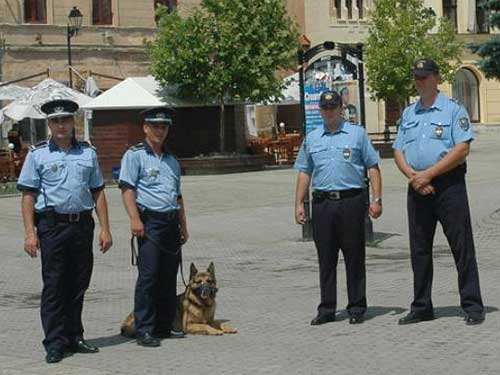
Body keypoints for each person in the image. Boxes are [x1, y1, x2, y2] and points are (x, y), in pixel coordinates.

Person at [17, 99, 113, 364]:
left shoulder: (87, 153)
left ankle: (75, 336)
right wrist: (29, 233)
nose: (61, 125)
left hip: (82, 225)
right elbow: (27, 195)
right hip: (52, 226)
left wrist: (105, 228)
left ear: (73, 122)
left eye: (66, 120)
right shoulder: (38, 155)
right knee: (55, 286)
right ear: (49, 125)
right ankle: (55, 342)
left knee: (78, 283)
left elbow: (98, 191)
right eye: (56, 121)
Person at [394, 58, 485, 325]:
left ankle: (472, 305)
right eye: (417, 77)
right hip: (417, 188)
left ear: (436, 78)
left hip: (448, 186)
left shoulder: (453, 110)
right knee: (419, 249)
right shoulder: (409, 113)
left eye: (424, 76)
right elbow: (399, 150)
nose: (419, 81)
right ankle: (422, 306)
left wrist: (428, 175)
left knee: (461, 246)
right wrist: (414, 177)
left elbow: (462, 149)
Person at [294, 90, 382, 326]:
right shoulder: (312, 138)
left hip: (351, 202)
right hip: (322, 203)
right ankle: (327, 308)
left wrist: (376, 199)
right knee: (326, 258)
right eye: (325, 108)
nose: (329, 111)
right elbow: (304, 171)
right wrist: (299, 204)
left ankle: (356, 306)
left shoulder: (357, 134)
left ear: (341, 109)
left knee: (354, 256)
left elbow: (373, 166)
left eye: (333, 107)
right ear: (320, 110)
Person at [119, 107, 189, 347]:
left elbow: (177, 196)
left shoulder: (171, 159)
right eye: (155, 126)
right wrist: (134, 219)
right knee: (149, 277)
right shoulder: (135, 155)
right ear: (145, 128)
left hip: (170, 222)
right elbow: (127, 189)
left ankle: (164, 325)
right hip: (150, 223)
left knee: (168, 276)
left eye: (164, 126)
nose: (160, 130)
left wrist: (183, 225)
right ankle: (145, 329)